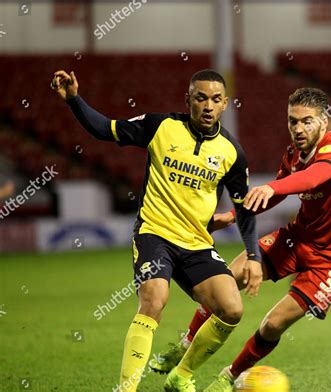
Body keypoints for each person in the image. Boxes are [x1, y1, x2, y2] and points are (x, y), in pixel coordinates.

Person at [51, 69, 262, 392]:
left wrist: (253, 256)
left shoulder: (232, 153)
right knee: (154, 299)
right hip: (155, 234)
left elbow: (244, 209)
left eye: (216, 100)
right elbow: (104, 130)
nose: (208, 106)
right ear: (187, 100)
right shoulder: (160, 126)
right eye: (201, 98)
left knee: (232, 309)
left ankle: (181, 375)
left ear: (225, 104)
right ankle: (127, 389)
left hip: (196, 244)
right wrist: (74, 100)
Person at [153, 87, 331, 392]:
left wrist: (273, 188)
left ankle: (229, 376)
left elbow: (311, 178)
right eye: (292, 121)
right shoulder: (293, 154)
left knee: (273, 324)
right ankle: (184, 349)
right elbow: (279, 189)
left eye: (307, 121)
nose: (298, 128)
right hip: (298, 237)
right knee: (227, 280)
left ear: (324, 122)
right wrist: (232, 216)